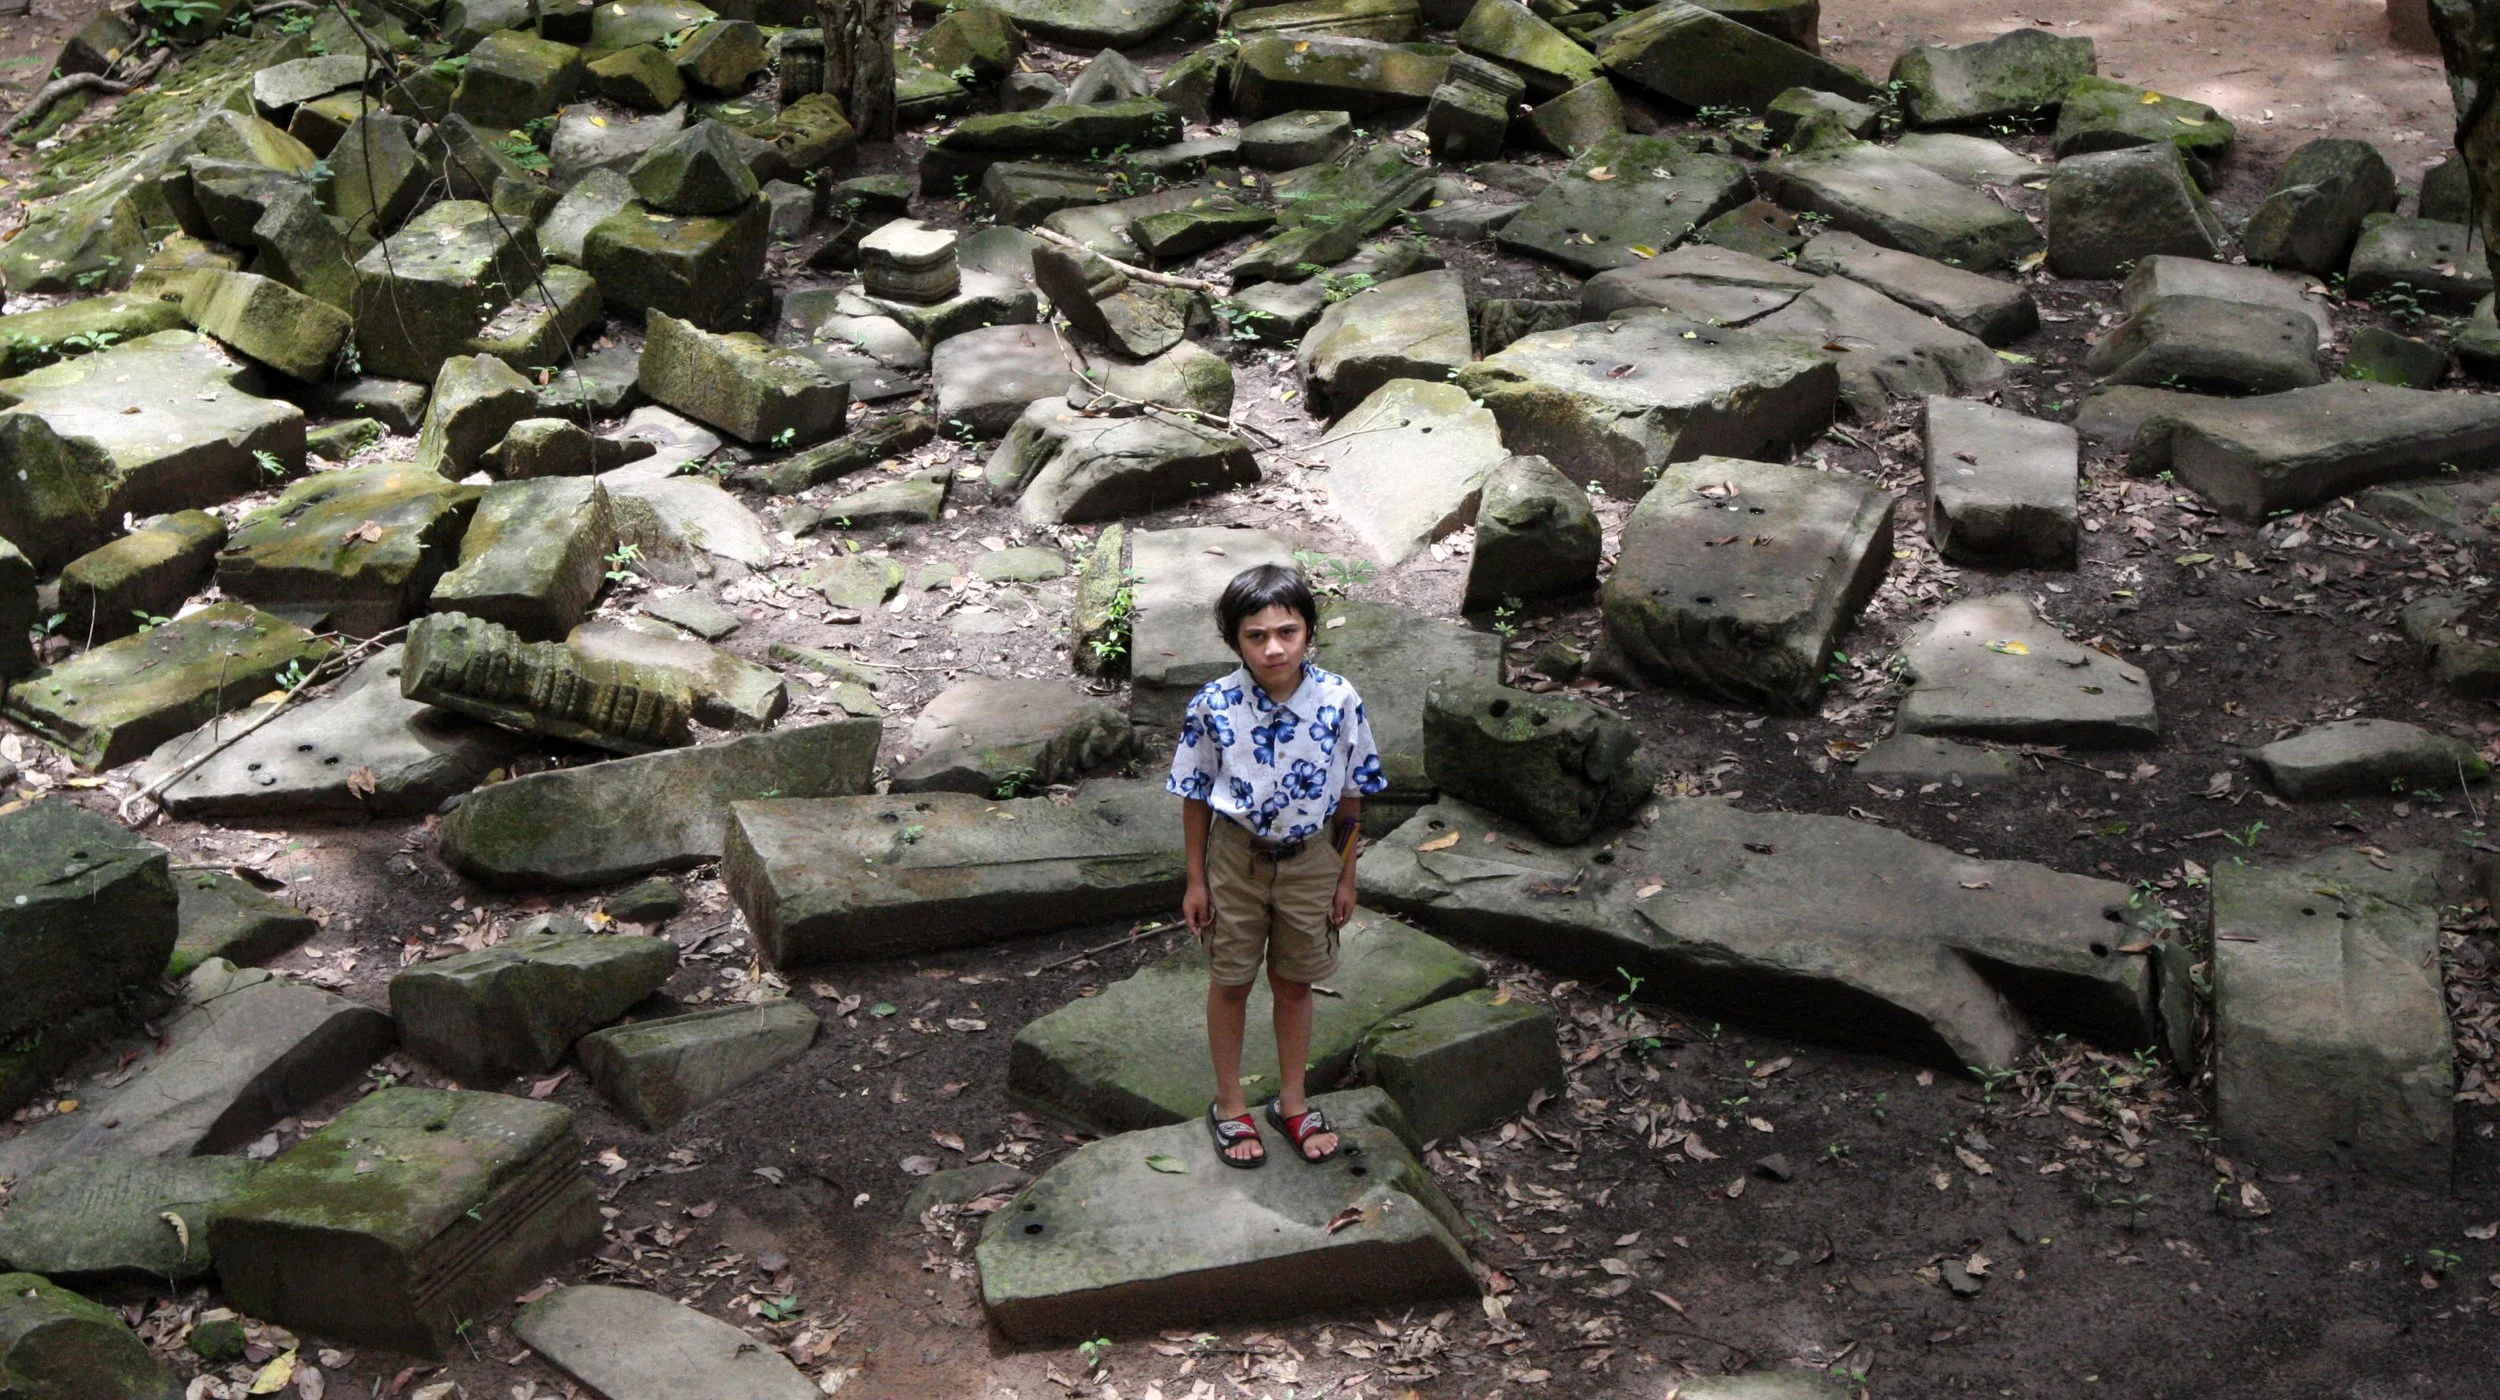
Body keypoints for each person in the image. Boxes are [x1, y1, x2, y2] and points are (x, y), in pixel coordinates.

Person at [1167, 563, 1387, 1168]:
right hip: (1234, 859)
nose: (1273, 648)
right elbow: (1193, 790)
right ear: (1234, 640)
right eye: (1256, 635)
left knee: (1294, 981)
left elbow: (1351, 794)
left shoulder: (1339, 700)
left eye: (1287, 632)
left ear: (1309, 632)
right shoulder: (1213, 704)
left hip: (1313, 858)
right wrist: (1195, 879)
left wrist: (1346, 874)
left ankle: (1292, 1101)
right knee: (1231, 979)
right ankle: (1231, 1104)